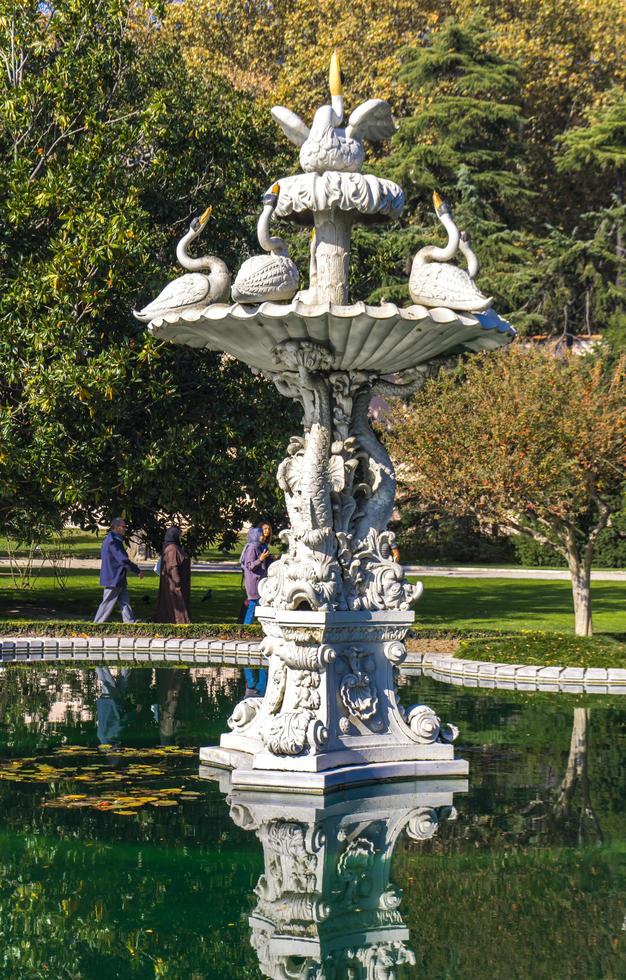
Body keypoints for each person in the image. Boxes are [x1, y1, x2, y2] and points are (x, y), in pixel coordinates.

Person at [240, 523, 271, 697]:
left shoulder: (258, 546)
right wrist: (262, 558)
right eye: (259, 533)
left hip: (258, 583)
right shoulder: (252, 548)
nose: (262, 536)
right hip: (254, 585)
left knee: (257, 608)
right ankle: (246, 630)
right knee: (254, 607)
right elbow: (250, 565)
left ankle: (254, 629)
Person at [93, 518, 144, 623]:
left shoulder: (114, 539)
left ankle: (130, 622)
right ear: (116, 527)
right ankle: (97, 624)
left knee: (125, 601)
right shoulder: (113, 541)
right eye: (123, 526)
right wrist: (137, 571)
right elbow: (123, 560)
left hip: (118, 577)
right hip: (114, 577)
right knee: (107, 602)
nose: (125, 529)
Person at [155, 525, 191, 624]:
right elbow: (173, 567)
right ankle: (181, 624)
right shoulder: (172, 549)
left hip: (176, 583)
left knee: (173, 604)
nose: (180, 537)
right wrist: (177, 583)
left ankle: (170, 621)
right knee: (177, 605)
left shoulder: (174, 547)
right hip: (174, 585)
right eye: (179, 535)